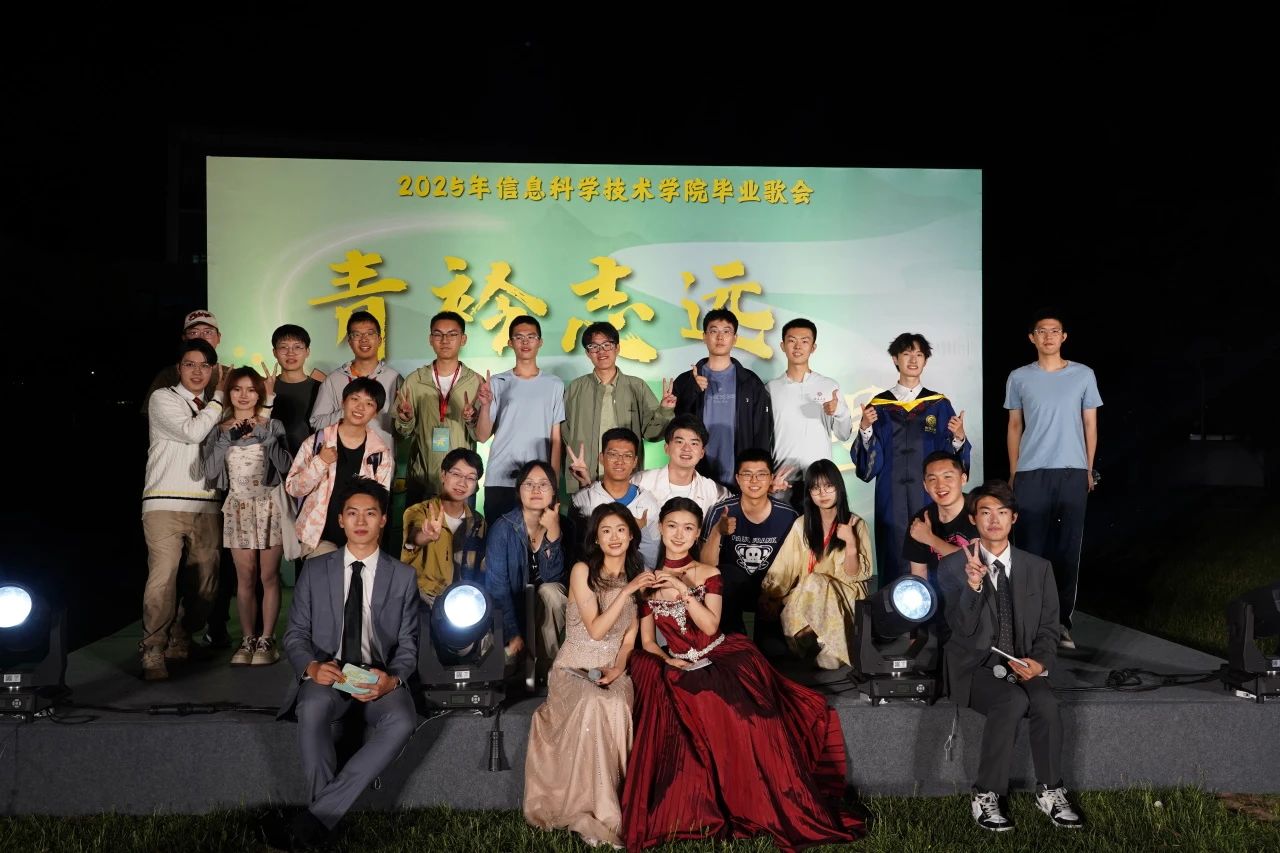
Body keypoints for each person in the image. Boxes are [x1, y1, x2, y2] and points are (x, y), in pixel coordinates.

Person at [621, 497, 863, 851]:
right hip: (679, 663)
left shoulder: (709, 574)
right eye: (672, 526)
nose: (679, 534)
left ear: (697, 534)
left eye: (688, 528)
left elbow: (710, 625)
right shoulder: (646, 582)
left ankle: (759, 800)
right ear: (660, 528)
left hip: (722, 656)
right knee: (695, 707)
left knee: (752, 718)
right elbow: (647, 642)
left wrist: (684, 590)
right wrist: (667, 660)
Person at [272, 478, 419, 849]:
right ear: (340, 519)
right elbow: (295, 635)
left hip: (376, 676)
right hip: (330, 671)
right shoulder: (315, 571)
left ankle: (316, 820)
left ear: (383, 520)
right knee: (312, 705)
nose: (361, 521)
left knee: (402, 719)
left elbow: (408, 645)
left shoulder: (402, 576)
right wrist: (311, 668)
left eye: (370, 513)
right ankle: (323, 825)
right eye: (352, 513)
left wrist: (393, 680)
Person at [936, 481, 1083, 832]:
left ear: (1013, 518)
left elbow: (1049, 626)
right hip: (974, 667)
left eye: (1002, 512)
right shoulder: (954, 567)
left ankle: (1050, 790)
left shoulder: (1038, 568)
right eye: (985, 512)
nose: (994, 520)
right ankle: (985, 794)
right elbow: (960, 628)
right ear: (973, 519)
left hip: (1022, 663)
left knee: (1046, 703)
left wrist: (1040, 662)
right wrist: (973, 586)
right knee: (1011, 700)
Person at [524, 504, 657, 849]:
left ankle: (610, 805)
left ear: (631, 535)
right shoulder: (582, 571)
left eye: (621, 530)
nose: (614, 537)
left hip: (612, 668)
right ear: (596, 538)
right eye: (606, 530)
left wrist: (620, 668)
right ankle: (587, 810)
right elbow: (596, 630)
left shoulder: (637, 573)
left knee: (616, 705)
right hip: (573, 667)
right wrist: (626, 592)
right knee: (593, 703)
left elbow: (628, 639)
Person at [1005, 310, 1102, 650]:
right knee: (1029, 551)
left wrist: (1088, 469)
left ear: (1064, 337)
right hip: (1031, 472)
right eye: (1042, 331)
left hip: (1072, 472)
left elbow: (1090, 424)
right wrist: (1014, 472)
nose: (1048, 336)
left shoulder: (1083, 375)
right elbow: (1014, 425)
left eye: (1054, 331)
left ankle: (1061, 624)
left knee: (1067, 550)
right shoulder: (1019, 377)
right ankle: (1029, 623)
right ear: (1032, 338)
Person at [852, 332, 971, 585]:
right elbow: (867, 467)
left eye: (919, 354)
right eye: (906, 354)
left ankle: (935, 605)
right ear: (895, 359)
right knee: (893, 549)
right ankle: (894, 606)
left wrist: (959, 437)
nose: (913, 359)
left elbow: (950, 457)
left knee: (930, 545)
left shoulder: (938, 405)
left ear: (925, 360)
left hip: (928, 493)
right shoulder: (879, 405)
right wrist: (865, 429)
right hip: (890, 495)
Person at [139, 339, 227, 680]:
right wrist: (219, 399)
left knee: (207, 584)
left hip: (207, 505)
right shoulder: (164, 398)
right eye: (190, 364)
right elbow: (193, 432)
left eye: (205, 366)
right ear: (179, 368)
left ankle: (181, 636)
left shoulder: (216, 406)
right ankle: (153, 648)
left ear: (213, 370)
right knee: (163, 578)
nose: (197, 371)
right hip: (163, 504)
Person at [201, 367, 293, 666]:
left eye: (251, 389)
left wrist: (266, 437)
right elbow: (209, 472)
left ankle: (267, 639)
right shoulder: (219, 428)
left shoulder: (273, 424)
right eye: (237, 389)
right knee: (245, 577)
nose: (244, 395)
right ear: (229, 393)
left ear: (260, 394)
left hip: (269, 506)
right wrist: (227, 438)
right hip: (237, 507)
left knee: (268, 576)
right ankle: (247, 638)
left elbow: (287, 467)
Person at [760, 460, 873, 669]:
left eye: (828, 486)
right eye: (815, 487)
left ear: (839, 487)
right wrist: (771, 596)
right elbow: (784, 565)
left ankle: (830, 645)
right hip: (808, 594)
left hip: (844, 597)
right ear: (809, 493)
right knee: (799, 593)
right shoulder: (802, 524)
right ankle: (811, 638)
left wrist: (850, 543)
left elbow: (854, 576)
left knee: (815, 581)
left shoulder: (856, 524)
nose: (822, 493)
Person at [561, 321, 675, 493]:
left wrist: (665, 410)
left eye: (607, 345)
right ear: (587, 353)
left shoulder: (637, 386)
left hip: (626, 480)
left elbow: (652, 434)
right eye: (594, 346)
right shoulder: (575, 388)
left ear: (617, 348)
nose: (601, 351)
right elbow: (565, 433)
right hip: (584, 478)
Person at [286, 378, 394, 559]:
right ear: (343, 402)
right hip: (318, 538)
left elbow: (380, 504)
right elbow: (294, 488)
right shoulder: (317, 442)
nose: (360, 407)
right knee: (325, 575)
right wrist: (321, 462)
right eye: (355, 399)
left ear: (375, 413)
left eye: (369, 403)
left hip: (359, 541)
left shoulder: (380, 453)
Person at [474, 315, 565, 524]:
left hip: (538, 482)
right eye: (519, 337)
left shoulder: (554, 384)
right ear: (510, 342)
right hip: (500, 478)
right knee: (498, 537)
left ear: (540, 342)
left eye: (531, 337)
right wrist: (485, 405)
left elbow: (556, 439)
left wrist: (552, 484)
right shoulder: (496, 382)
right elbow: (482, 436)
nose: (525, 342)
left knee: (537, 539)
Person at [698, 449, 799, 637]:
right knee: (727, 575)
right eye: (747, 474)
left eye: (761, 474)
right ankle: (733, 638)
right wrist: (717, 532)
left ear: (771, 478)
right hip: (733, 593)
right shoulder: (721, 511)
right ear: (737, 478)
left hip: (773, 594)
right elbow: (705, 566)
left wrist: (778, 600)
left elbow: (796, 567)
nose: (754, 481)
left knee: (773, 649)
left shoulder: (788, 516)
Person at [484, 460, 568, 677]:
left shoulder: (566, 525)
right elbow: (497, 588)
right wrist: (512, 632)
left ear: (554, 491)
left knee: (551, 591)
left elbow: (553, 577)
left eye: (543, 484)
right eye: (529, 484)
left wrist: (553, 533)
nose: (536, 490)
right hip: (511, 609)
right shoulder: (502, 529)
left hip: (547, 615)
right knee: (505, 672)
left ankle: (549, 670)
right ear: (518, 490)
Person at [672, 309, 773, 487]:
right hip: (696, 477)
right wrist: (692, 391)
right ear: (704, 337)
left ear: (735, 338)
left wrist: (761, 475)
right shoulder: (686, 380)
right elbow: (675, 426)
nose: (720, 337)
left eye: (726, 331)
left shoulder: (750, 382)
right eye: (714, 331)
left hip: (740, 477)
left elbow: (762, 433)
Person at [394, 311, 483, 506]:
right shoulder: (414, 381)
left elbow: (481, 435)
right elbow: (402, 432)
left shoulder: (476, 382)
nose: (445, 340)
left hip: (462, 485)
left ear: (463, 339)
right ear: (430, 339)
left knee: (462, 528)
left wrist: (472, 419)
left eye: (452, 334)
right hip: (422, 479)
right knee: (418, 527)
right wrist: (406, 419)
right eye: (438, 334)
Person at [767, 318, 853, 509]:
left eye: (804, 341)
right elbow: (764, 437)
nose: (798, 346)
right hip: (783, 480)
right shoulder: (771, 388)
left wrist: (838, 411)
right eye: (792, 340)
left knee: (820, 527)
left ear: (813, 347)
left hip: (820, 481)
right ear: (782, 345)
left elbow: (844, 434)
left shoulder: (829, 386)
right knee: (785, 527)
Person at [400, 448, 487, 607]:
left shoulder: (478, 522)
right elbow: (413, 538)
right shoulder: (419, 511)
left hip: (462, 600)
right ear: (443, 475)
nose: (462, 483)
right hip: (423, 598)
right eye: (456, 474)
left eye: (470, 478)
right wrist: (426, 535)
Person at [568, 427, 662, 568]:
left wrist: (640, 531)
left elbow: (652, 559)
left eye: (627, 456)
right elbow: (574, 552)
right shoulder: (582, 500)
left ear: (635, 461)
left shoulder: (648, 503)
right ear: (601, 458)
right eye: (613, 454)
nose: (620, 461)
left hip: (636, 576)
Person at [309, 310, 401, 449]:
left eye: (370, 334)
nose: (364, 339)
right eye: (357, 335)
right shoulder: (334, 379)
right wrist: (347, 411)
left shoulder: (394, 378)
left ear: (379, 340)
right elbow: (317, 423)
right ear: (350, 342)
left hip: (381, 458)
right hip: (339, 458)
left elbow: (403, 430)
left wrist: (407, 419)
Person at [630, 414, 727, 517]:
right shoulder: (639, 482)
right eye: (679, 442)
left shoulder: (714, 491)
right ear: (666, 448)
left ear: (702, 453)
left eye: (694, 443)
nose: (686, 449)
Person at [904, 451, 977, 583]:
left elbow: (975, 565)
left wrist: (930, 539)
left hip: (978, 591)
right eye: (932, 479)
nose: (940, 485)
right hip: (939, 592)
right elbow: (919, 575)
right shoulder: (920, 521)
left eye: (947, 477)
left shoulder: (979, 512)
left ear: (963, 479)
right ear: (925, 486)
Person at [141, 309, 222, 415]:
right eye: (193, 332)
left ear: (218, 337)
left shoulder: (230, 375)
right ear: (184, 338)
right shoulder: (168, 375)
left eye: (208, 332)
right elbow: (151, 415)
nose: (201, 338)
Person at [267, 323, 326, 456]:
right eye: (284, 347)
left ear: (307, 352)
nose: (290, 353)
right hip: (271, 460)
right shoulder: (265, 387)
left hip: (311, 461)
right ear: (274, 352)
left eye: (297, 347)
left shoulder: (321, 389)